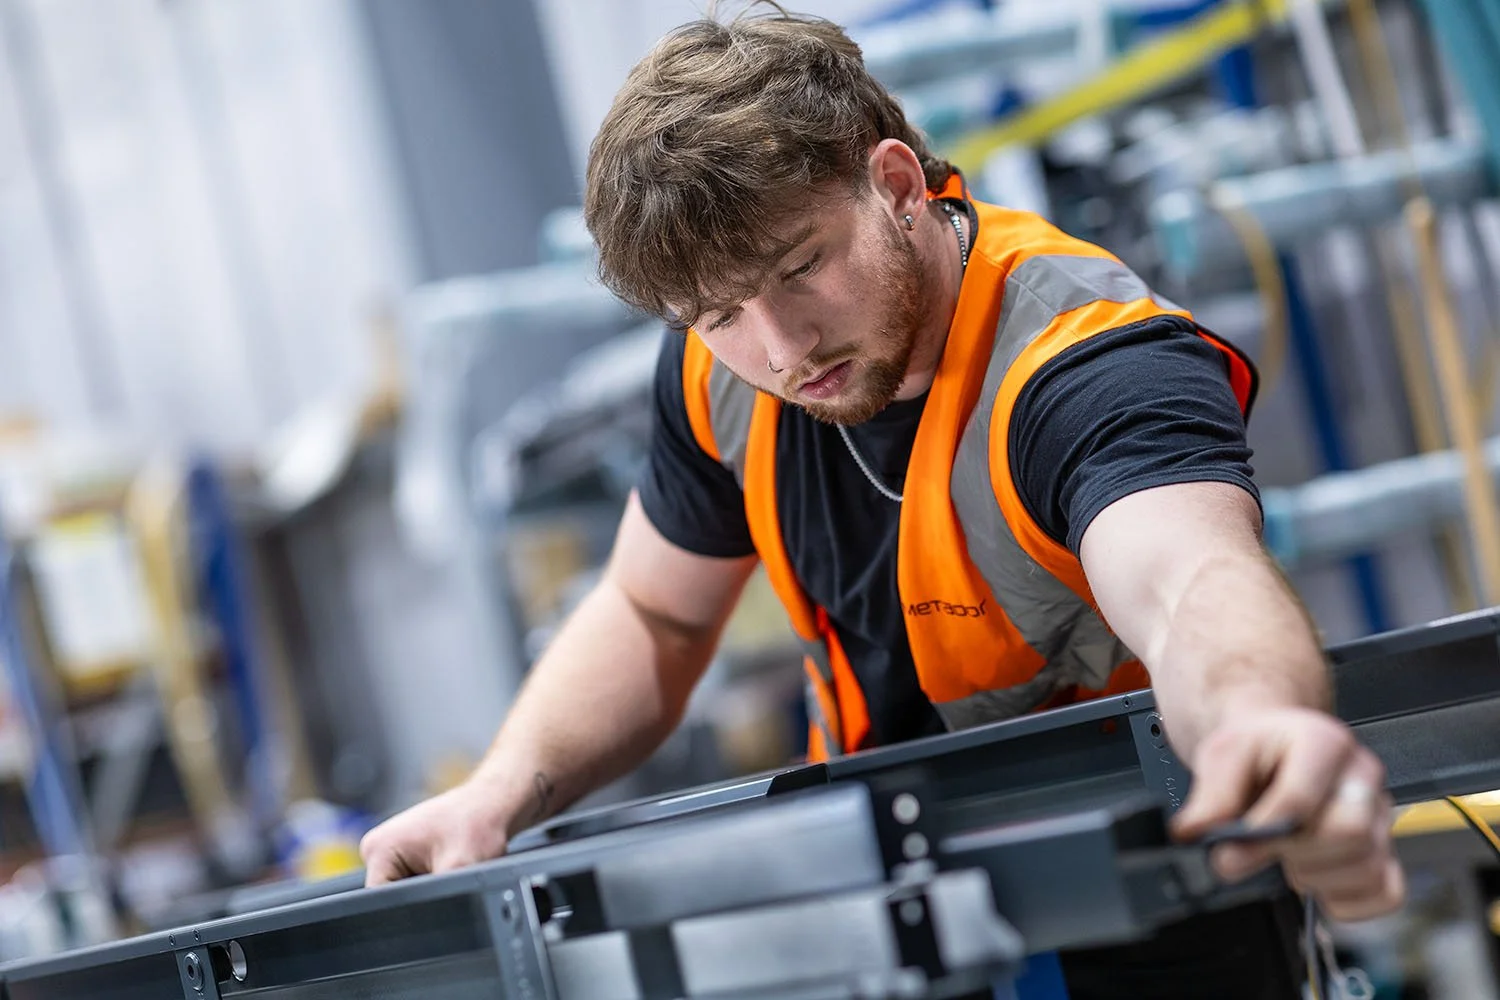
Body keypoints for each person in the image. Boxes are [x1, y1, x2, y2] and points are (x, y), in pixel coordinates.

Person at [360, 6, 1404, 996]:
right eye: (720, 311)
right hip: (893, 914)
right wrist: (498, 793)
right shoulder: (712, 370)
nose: (781, 347)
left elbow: (1191, 580)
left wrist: (1258, 720)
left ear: (896, 183)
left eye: (801, 266)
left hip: (1148, 918)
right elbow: (653, 612)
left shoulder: (1077, 365)